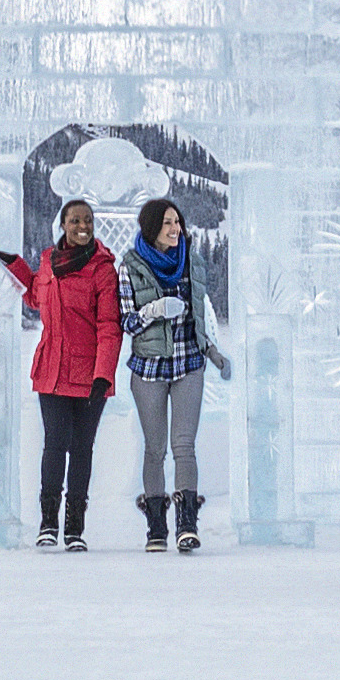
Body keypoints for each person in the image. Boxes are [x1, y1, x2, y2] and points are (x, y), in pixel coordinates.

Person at [0, 201, 123, 549]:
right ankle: (48, 523)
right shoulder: (48, 262)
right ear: (62, 224)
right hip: (51, 369)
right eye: (75, 220)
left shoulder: (103, 269)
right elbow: (35, 296)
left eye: (88, 220)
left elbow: (110, 326)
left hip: (90, 373)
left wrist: (103, 375)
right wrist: (12, 263)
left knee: (81, 449)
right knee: (54, 444)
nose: (82, 226)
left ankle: (74, 528)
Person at [114, 193, 230, 553]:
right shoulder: (130, 267)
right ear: (151, 228)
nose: (175, 228)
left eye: (177, 221)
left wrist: (212, 351)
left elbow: (197, 316)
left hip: (188, 364)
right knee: (154, 449)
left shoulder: (192, 262)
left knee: (184, 446)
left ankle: (187, 524)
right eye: (167, 223)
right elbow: (128, 323)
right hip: (149, 368)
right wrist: (155, 310)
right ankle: (155, 528)